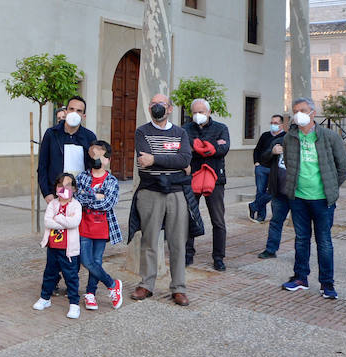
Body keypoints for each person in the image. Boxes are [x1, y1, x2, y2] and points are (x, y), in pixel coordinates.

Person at [279, 98, 346, 298]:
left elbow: (343, 166)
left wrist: (331, 188)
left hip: (322, 199)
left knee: (324, 241)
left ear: (313, 113)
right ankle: (300, 277)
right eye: (295, 110)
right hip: (298, 197)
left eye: (302, 110)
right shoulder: (289, 138)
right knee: (301, 239)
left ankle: (327, 284)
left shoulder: (329, 136)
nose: (298, 113)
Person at [128, 94, 193, 305]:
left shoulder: (180, 133)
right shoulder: (142, 131)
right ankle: (146, 284)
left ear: (170, 109)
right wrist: (173, 163)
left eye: (161, 105)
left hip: (176, 193)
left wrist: (155, 158)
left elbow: (185, 158)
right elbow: (143, 161)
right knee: (149, 240)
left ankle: (179, 288)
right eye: (154, 104)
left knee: (177, 242)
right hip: (150, 191)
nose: (157, 107)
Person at [75, 140, 123, 310]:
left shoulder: (111, 181)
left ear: (107, 159)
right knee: (86, 261)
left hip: (102, 228)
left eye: (101, 155)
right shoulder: (82, 177)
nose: (97, 159)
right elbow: (77, 199)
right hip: (83, 226)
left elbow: (108, 203)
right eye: (94, 155)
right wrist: (96, 196)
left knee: (96, 260)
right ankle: (112, 284)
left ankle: (90, 293)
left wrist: (88, 197)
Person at [184, 98, 230, 270]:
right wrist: (210, 147)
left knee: (218, 220)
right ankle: (188, 254)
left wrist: (199, 147)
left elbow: (223, 149)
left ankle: (219, 257)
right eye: (195, 112)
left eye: (201, 112)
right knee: (189, 217)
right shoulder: (185, 129)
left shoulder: (221, 128)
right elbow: (185, 149)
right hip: (192, 178)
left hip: (215, 179)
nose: (198, 115)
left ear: (209, 112)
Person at [35, 174, 83, 318]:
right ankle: (45, 298)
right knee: (49, 273)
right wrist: (64, 221)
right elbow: (48, 222)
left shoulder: (76, 205)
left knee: (71, 276)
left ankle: (74, 304)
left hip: (68, 249)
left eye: (68, 185)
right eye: (60, 185)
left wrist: (60, 218)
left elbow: (74, 223)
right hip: (53, 246)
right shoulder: (53, 204)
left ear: (73, 188)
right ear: (56, 188)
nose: (64, 188)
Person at [37, 95, 96, 207]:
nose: (74, 113)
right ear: (66, 111)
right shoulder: (52, 134)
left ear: (84, 115)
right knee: (59, 223)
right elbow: (43, 165)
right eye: (71, 109)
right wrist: (46, 193)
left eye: (79, 111)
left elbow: (94, 166)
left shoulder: (89, 137)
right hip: (58, 192)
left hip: (80, 193)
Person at [256, 115, 289, 259]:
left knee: (302, 228)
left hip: (298, 192)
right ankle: (271, 249)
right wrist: (272, 152)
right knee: (276, 221)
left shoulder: (306, 145)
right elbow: (263, 157)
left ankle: (301, 255)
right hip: (279, 190)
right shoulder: (279, 142)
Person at [249, 114, 285, 223]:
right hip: (261, 168)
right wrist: (256, 163)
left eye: (276, 123)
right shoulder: (265, 135)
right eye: (272, 123)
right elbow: (257, 150)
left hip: (275, 170)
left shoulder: (285, 137)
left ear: (281, 125)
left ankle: (254, 205)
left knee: (273, 192)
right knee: (260, 191)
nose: (273, 125)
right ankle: (261, 216)